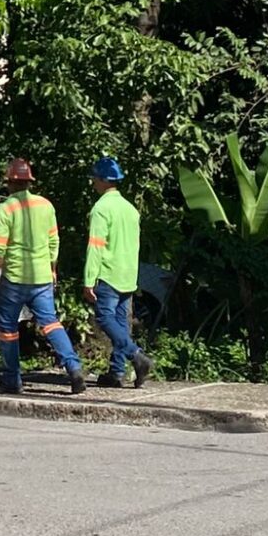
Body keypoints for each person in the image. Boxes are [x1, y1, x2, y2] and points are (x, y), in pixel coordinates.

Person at [0, 156, 85, 395]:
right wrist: (52, 269)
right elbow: (54, 241)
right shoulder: (46, 206)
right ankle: (73, 369)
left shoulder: (6, 208)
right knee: (51, 323)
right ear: (30, 182)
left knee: (8, 328)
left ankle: (12, 379)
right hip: (41, 277)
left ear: (9, 182)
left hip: (15, 279)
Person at [82, 156, 153, 389]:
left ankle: (136, 356)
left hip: (108, 274)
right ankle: (116, 372)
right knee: (121, 324)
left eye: (94, 179)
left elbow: (96, 246)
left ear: (103, 181)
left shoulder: (101, 209)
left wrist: (89, 280)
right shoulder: (130, 210)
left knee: (104, 317)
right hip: (128, 275)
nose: (93, 182)